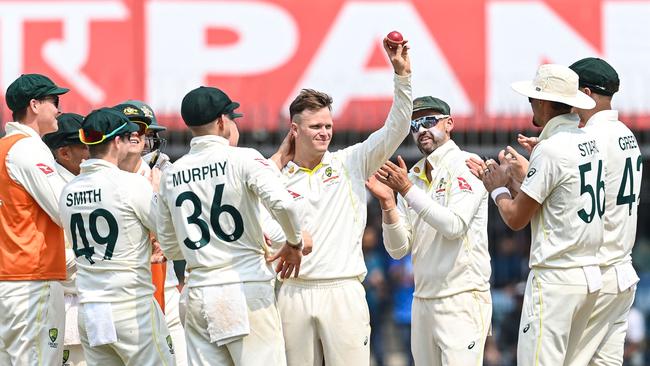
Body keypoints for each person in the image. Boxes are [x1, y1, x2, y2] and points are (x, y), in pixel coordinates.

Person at [268, 37, 412, 366]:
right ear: (294, 129)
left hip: (343, 290)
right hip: (294, 291)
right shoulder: (273, 175)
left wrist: (402, 76)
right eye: (315, 126)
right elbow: (263, 228)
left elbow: (397, 127)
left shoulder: (351, 162)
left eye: (328, 126)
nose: (324, 132)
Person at [156, 86, 304, 366]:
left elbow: (170, 247)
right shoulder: (244, 157)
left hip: (198, 291)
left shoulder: (171, 173)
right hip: (244, 288)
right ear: (223, 122)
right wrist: (294, 243)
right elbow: (284, 205)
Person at [468, 64, 603, 365]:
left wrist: (497, 188)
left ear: (543, 102)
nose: (530, 105)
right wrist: (521, 179)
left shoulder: (550, 149)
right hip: (590, 277)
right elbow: (556, 200)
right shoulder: (589, 141)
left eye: (532, 99)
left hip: (556, 279)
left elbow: (516, 218)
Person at [366, 96, 491, 365]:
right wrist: (388, 203)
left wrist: (407, 192)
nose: (421, 129)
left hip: (462, 298)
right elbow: (398, 249)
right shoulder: (411, 177)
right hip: (422, 299)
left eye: (429, 121)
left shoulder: (467, 165)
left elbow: (454, 226)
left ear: (449, 124)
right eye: (415, 124)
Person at [59, 108, 175, 365]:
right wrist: (157, 193)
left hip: (91, 310)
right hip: (130, 306)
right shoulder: (132, 184)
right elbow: (166, 230)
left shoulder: (68, 190)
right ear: (116, 141)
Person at [563, 58, 642, 365]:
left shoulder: (590, 138)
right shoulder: (626, 134)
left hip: (598, 274)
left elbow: (570, 201)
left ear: (586, 92)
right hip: (622, 273)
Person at [0, 73, 69, 365]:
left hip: (10, 278)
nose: (59, 110)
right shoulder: (27, 148)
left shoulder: (4, 147)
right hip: (32, 278)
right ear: (34, 105)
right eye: (54, 101)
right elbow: (64, 208)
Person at [115, 100, 188, 366]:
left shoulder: (166, 175)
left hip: (166, 286)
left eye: (145, 132)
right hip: (125, 291)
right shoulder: (103, 179)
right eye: (132, 130)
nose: (141, 138)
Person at [43, 113, 89, 366]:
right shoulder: (54, 187)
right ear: (64, 153)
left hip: (88, 300)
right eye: (84, 145)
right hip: (65, 302)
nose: (92, 149)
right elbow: (56, 255)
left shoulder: (86, 181)